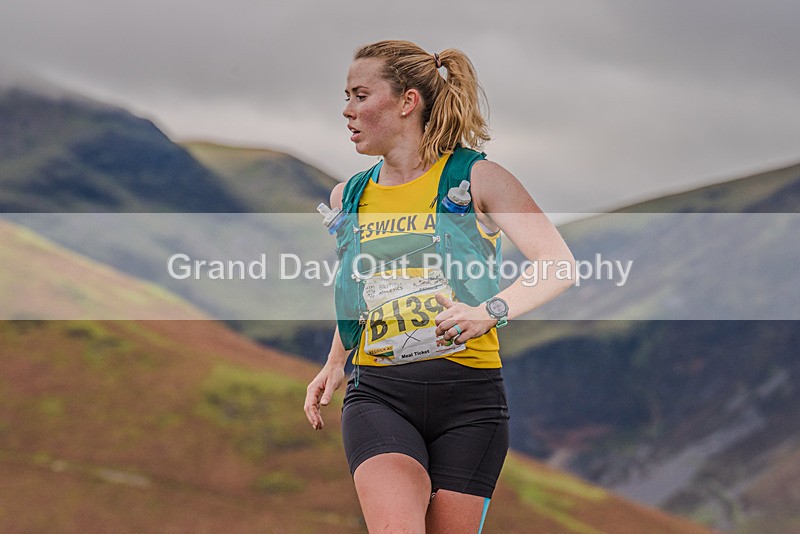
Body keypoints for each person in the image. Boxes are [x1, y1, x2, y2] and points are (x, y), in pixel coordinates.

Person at [304, 40, 575, 533]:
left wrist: (489, 310)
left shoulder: (477, 178)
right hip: (379, 395)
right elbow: (362, 290)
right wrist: (335, 361)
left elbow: (557, 264)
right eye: (346, 96)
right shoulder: (349, 195)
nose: (347, 110)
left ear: (407, 101)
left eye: (361, 95)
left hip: (470, 404)